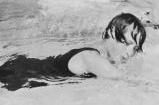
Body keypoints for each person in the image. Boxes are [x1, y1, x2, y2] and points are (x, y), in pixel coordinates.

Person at [0, 13, 146, 91]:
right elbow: (130, 82)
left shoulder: (98, 53)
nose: (129, 52)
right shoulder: (91, 58)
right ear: (111, 33)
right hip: (17, 75)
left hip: (24, 68)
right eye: (127, 43)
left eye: (135, 48)